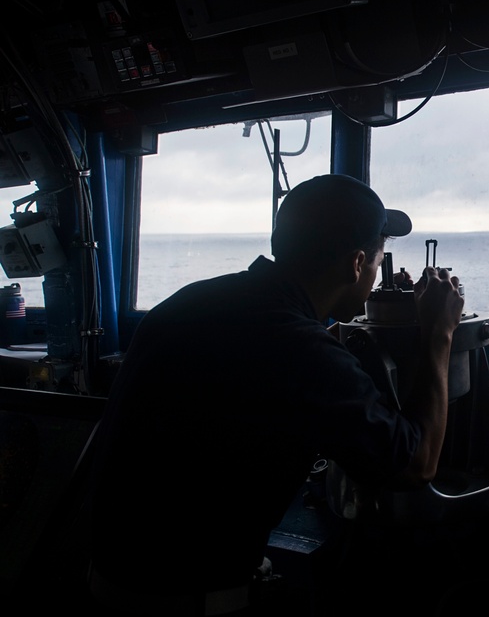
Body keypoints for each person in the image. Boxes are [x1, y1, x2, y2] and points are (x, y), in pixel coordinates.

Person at [85, 174, 464, 615]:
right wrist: (439, 334)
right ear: (357, 264)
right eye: (378, 263)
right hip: (183, 607)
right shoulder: (297, 346)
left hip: (108, 587)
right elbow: (416, 467)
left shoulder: (192, 302)